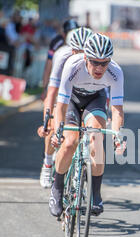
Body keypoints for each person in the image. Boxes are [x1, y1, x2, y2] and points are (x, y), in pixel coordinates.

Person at [48, 33, 124, 217]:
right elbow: (61, 106)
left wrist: (117, 135)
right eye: (94, 62)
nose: (99, 68)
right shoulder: (72, 66)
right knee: (69, 142)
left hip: (95, 99)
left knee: (96, 142)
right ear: (85, 57)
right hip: (72, 100)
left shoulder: (116, 72)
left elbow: (116, 110)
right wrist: (59, 132)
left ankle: (95, 194)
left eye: (104, 63)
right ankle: (57, 190)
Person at [37, 27, 93, 188]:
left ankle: (77, 167)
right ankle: (47, 164)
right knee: (53, 125)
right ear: (71, 49)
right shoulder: (62, 57)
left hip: (82, 93)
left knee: (84, 129)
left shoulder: (95, 60)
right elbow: (52, 91)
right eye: (77, 51)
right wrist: (47, 118)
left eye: (85, 52)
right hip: (64, 91)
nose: (82, 57)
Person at [40, 19, 79, 101]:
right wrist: (45, 89)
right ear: (63, 34)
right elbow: (48, 66)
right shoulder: (56, 42)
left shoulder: (83, 41)